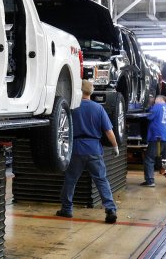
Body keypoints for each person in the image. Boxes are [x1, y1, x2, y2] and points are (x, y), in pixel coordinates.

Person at [56, 80, 119, 224]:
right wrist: (115, 146)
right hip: (94, 148)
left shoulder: (72, 107)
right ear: (91, 91)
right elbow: (108, 131)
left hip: (76, 148)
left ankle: (67, 209)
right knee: (101, 180)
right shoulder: (98, 108)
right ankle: (110, 209)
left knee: (70, 180)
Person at [141, 96, 166, 187]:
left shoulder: (157, 106)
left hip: (158, 137)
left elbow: (148, 116)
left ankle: (150, 181)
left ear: (159, 99)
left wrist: (149, 107)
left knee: (149, 158)